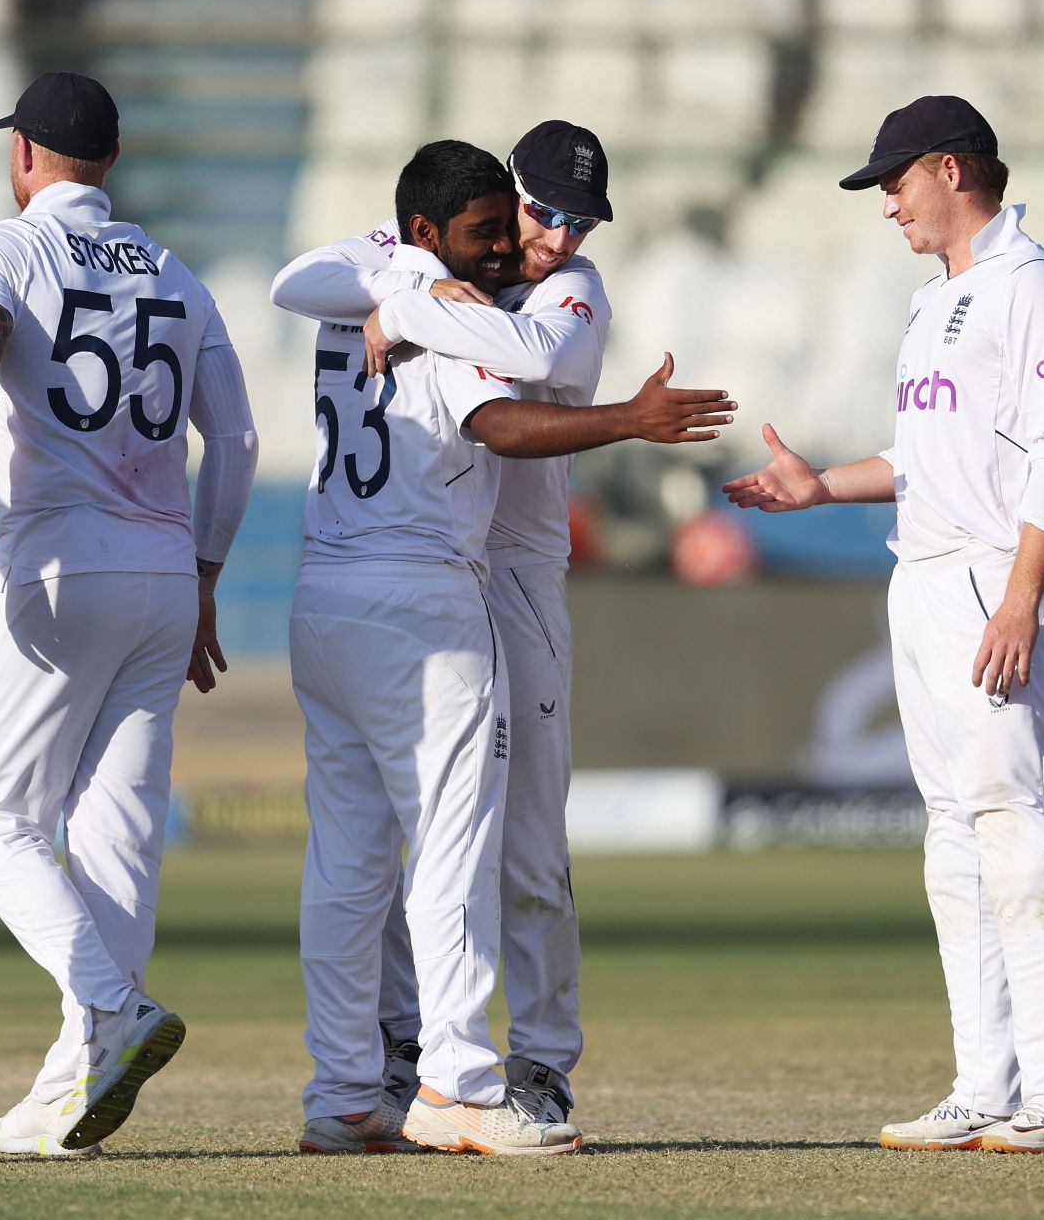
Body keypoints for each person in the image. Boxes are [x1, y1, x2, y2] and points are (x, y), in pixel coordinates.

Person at [275, 138, 732, 1156]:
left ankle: (531, 1062)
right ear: (484, 207)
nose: (554, 238)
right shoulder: (447, 274)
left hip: (497, 578)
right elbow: (486, 408)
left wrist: (406, 302)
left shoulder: (547, 284)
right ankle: (429, 1070)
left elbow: (557, 358)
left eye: (580, 220)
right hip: (441, 584)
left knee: (507, 844)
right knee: (438, 847)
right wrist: (419, 291)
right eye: (535, 215)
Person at [722, 95, 1044, 1154]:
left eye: (896, 180)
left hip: (998, 573)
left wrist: (1024, 594)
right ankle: (986, 1082)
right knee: (954, 834)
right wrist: (820, 488)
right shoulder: (933, 299)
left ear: (951, 170)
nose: (886, 201)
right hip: (926, 575)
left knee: (1015, 820)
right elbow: (920, 462)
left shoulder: (1034, 286)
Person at [0, 73, 259, 1156]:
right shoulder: (177, 272)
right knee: (116, 834)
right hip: (166, 576)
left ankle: (112, 1014)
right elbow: (241, 443)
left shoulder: (4, 248)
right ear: (110, 161)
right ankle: (77, 1080)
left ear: (26, 153)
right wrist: (208, 573)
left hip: (57, 567)